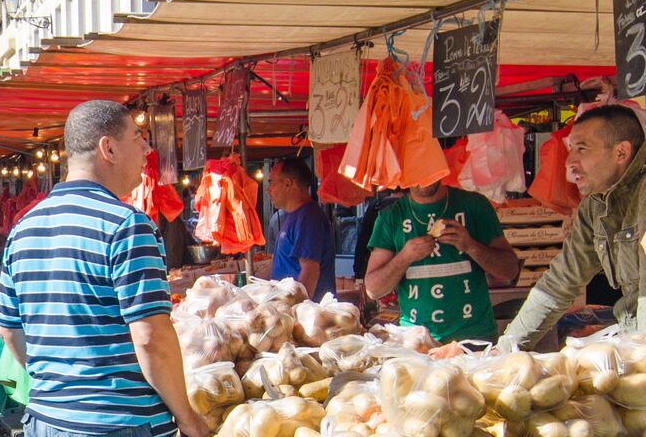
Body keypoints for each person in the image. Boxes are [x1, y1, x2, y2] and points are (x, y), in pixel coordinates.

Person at [0, 101, 209, 437]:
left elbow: (8, 329)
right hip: (122, 431)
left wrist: (54, 378)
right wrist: (188, 417)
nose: (146, 150)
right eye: (138, 138)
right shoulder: (127, 225)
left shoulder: (25, 229)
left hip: (49, 424)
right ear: (107, 147)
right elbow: (152, 339)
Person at [500, 105, 646, 349]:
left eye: (582, 149)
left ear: (621, 152)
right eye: (570, 149)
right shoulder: (594, 206)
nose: (570, 162)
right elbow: (560, 282)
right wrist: (505, 349)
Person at [365, 180, 519, 346]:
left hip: (475, 339)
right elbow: (373, 289)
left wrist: (470, 246)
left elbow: (509, 271)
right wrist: (405, 256)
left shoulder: (475, 205)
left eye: (428, 167)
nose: (423, 176)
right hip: (416, 342)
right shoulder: (391, 215)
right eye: (415, 168)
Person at [265, 158, 337, 299]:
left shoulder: (309, 217)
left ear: (287, 183)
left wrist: (297, 309)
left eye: (271, 182)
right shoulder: (294, 215)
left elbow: (310, 270)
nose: (268, 189)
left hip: (306, 315)